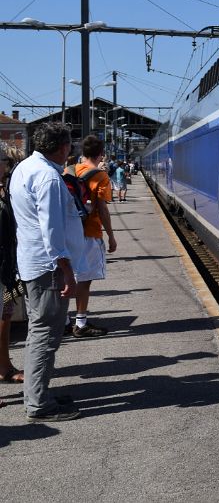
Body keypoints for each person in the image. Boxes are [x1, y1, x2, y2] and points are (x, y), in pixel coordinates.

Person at [10, 123, 85, 421]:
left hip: (32, 263)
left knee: (37, 332)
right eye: (69, 145)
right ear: (64, 147)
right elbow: (51, 230)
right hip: (49, 268)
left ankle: (37, 394)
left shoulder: (25, 168)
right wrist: (66, 271)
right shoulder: (48, 177)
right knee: (45, 335)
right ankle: (39, 404)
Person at [71, 135, 116, 337]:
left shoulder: (69, 171)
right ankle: (81, 323)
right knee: (84, 279)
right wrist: (111, 236)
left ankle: (64, 320)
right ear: (100, 154)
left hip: (69, 233)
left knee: (67, 277)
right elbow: (103, 209)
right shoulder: (100, 176)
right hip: (89, 233)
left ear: (83, 152)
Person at [0, 153, 25, 385]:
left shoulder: (3, 190)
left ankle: (4, 366)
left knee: (6, 315)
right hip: (3, 268)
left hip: (8, 269)